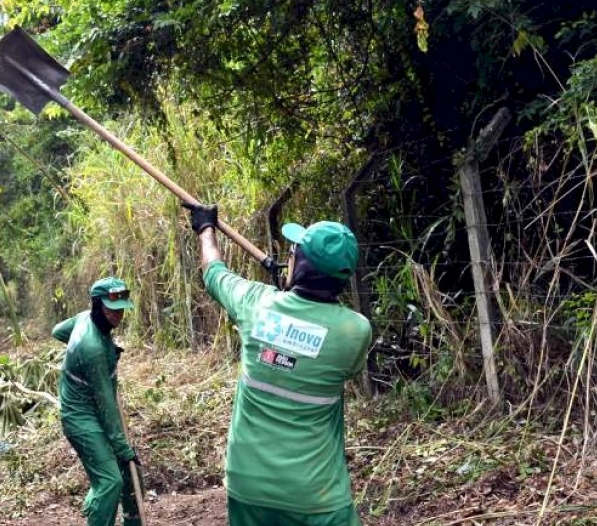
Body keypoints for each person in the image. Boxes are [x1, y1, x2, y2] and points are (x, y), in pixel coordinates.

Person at [183, 203, 372, 526]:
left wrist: (206, 229)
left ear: (299, 265)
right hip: (317, 493)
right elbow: (319, 345)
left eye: (294, 252)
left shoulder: (256, 304)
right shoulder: (355, 331)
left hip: (249, 484)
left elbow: (215, 273)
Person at [52, 277, 142, 526]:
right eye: (111, 309)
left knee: (130, 474)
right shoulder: (92, 350)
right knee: (110, 481)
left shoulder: (83, 319)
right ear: (96, 305)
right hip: (81, 418)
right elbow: (107, 408)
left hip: (92, 407)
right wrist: (125, 451)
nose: (117, 314)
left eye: (121, 308)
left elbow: (58, 331)